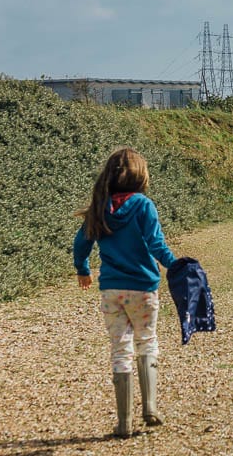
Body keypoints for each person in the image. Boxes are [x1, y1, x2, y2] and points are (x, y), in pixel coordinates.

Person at [73, 147, 178, 437]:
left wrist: (82, 269)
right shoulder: (143, 205)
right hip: (143, 289)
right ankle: (151, 407)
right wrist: (175, 265)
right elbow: (156, 244)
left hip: (111, 291)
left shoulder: (99, 206)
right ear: (140, 176)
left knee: (120, 349)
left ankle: (123, 423)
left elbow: (81, 243)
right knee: (147, 341)